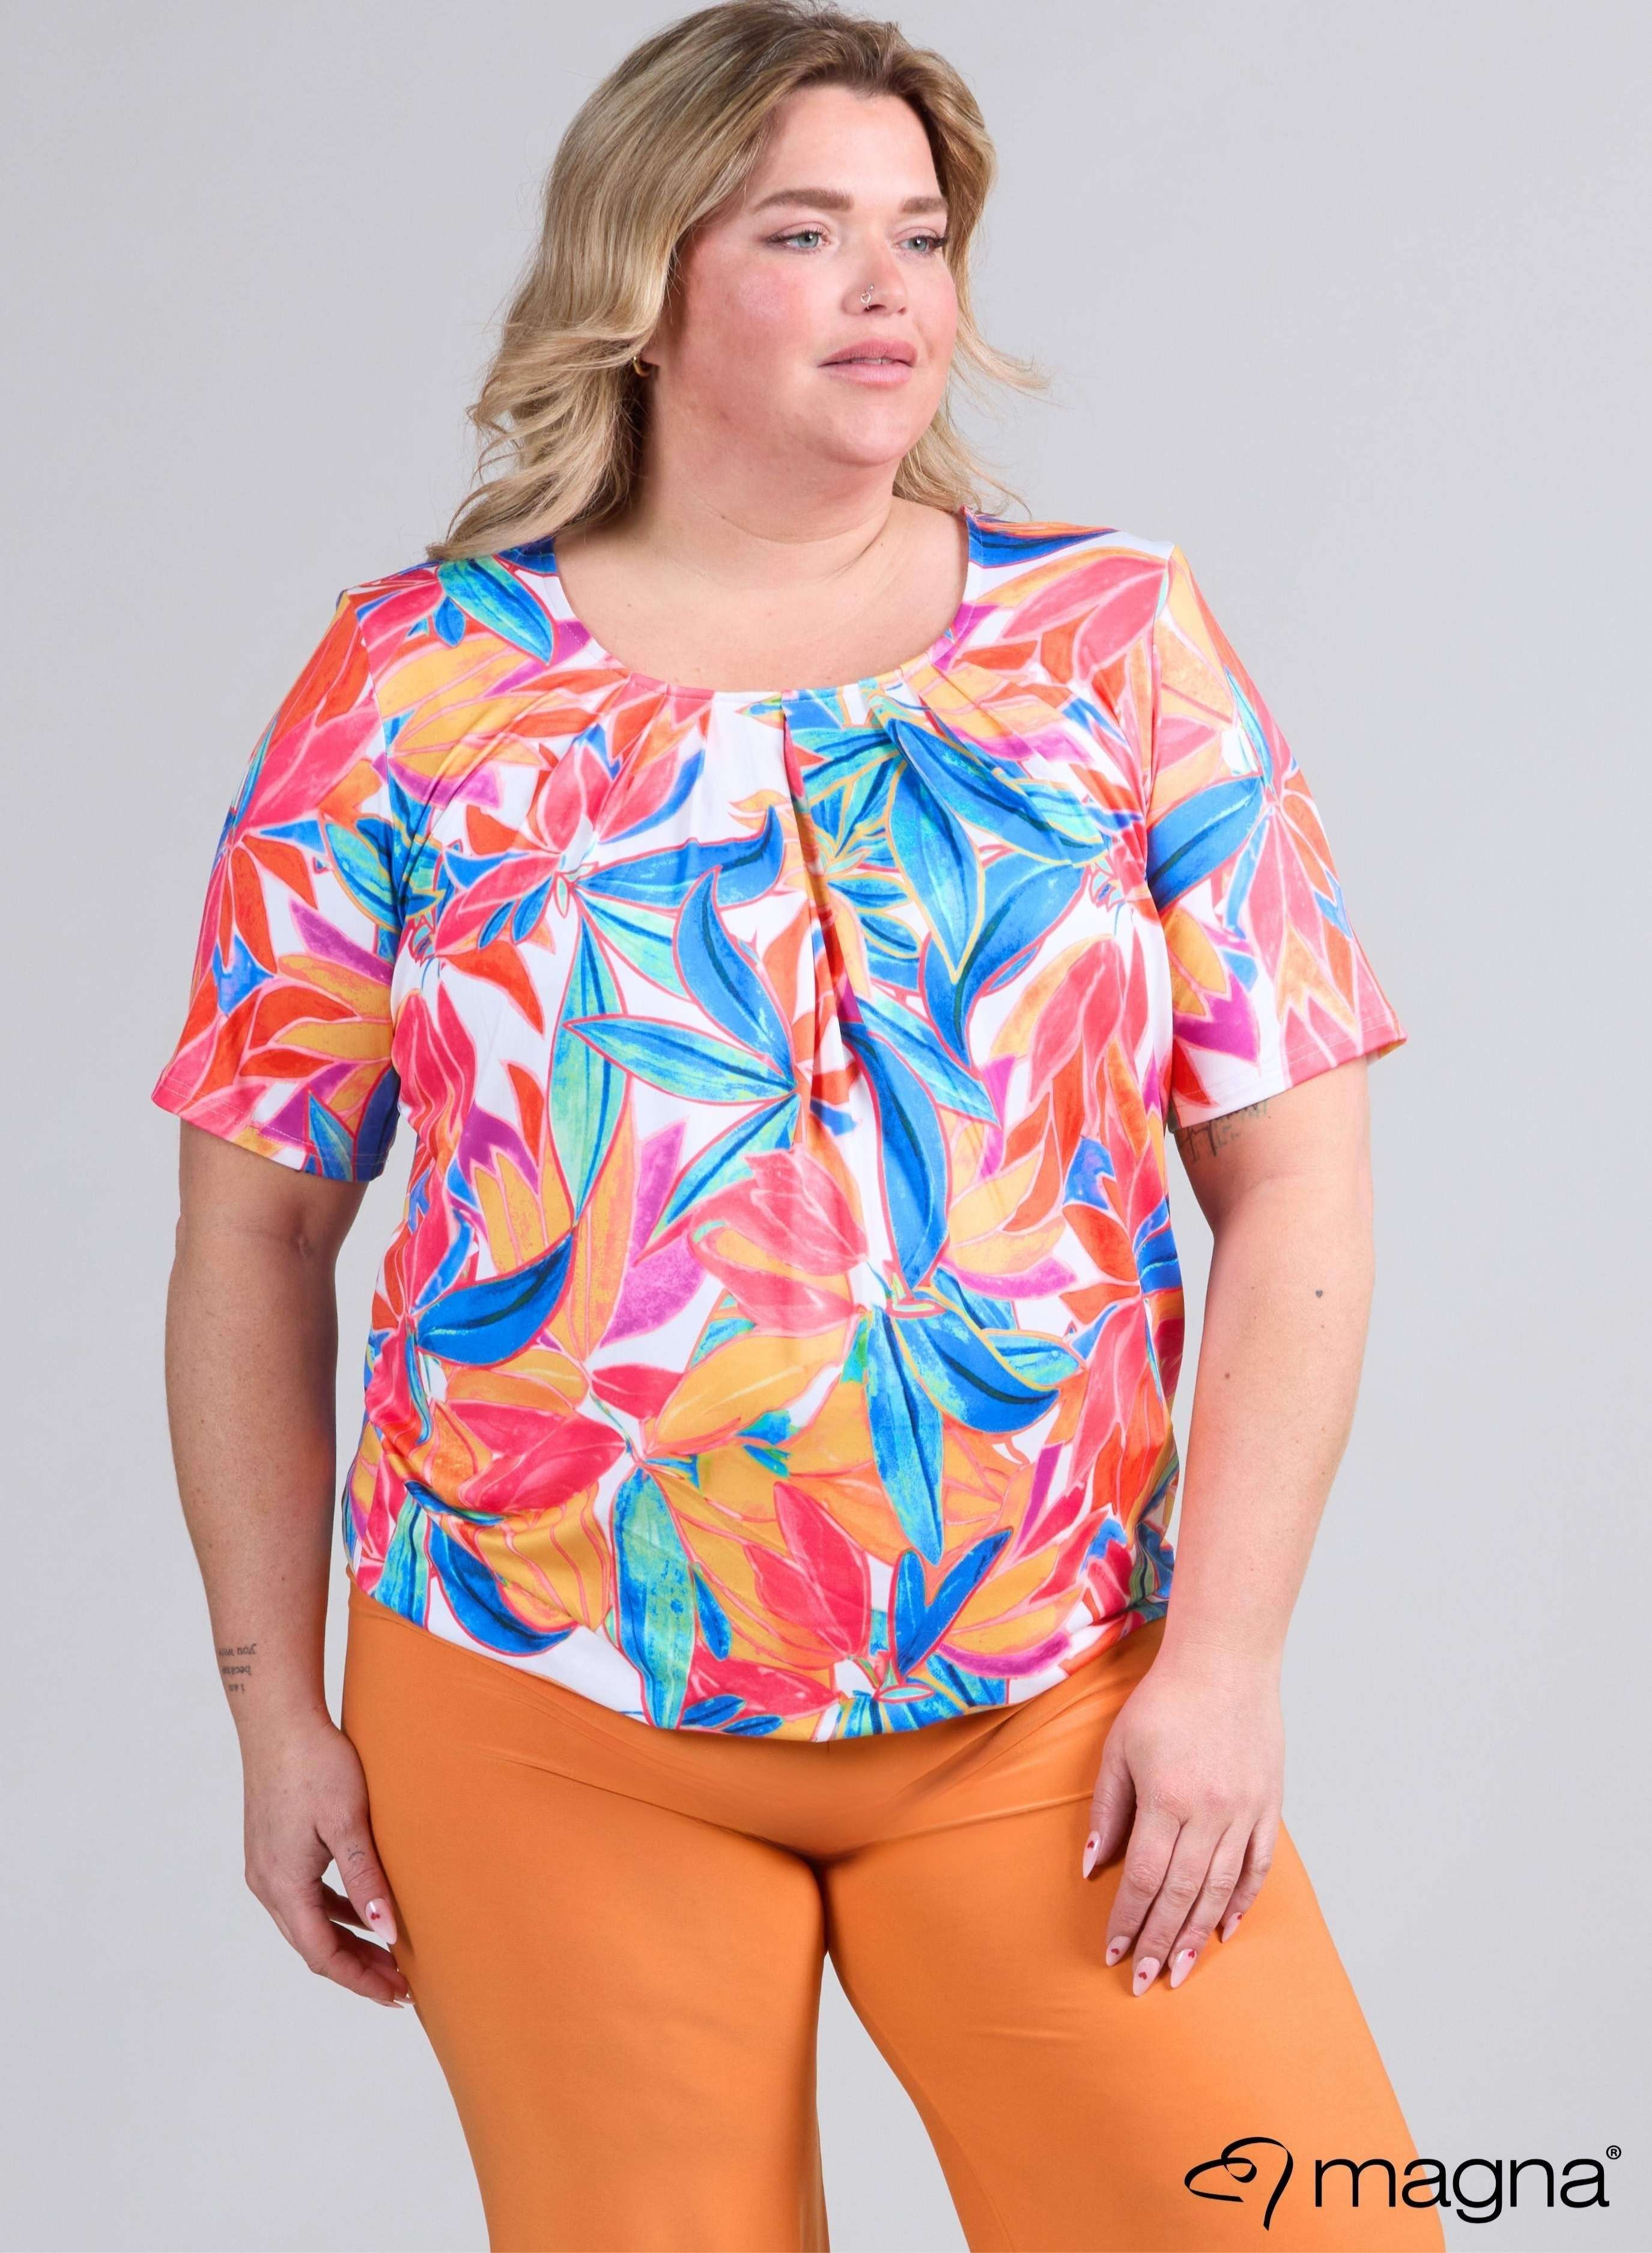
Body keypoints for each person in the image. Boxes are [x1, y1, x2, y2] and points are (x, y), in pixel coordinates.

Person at [150, 5, 1447, 2248]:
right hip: (538, 1699)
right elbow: (251, 1237)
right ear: (643, 280)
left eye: (920, 237)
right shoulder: (412, 685)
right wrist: (276, 1715)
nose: (889, 291)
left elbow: (1300, 1179)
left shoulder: (1114, 642)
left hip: (1052, 1691)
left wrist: (1226, 1663)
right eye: (805, 232)